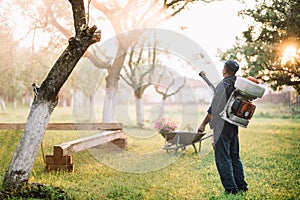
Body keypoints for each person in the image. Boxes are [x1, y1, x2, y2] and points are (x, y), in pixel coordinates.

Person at [198, 60, 248, 194]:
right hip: (233, 124)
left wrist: (203, 124)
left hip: (221, 126)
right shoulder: (238, 84)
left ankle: (231, 189)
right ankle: (241, 185)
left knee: (223, 157)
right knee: (234, 156)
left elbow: (213, 109)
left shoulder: (224, 84)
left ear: (225, 70)